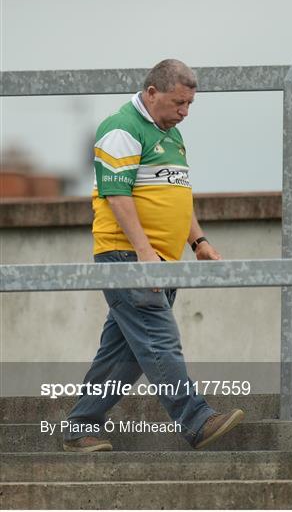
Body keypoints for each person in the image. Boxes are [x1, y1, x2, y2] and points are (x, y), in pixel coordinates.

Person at [63, 59, 244, 452]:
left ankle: (80, 427)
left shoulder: (171, 134)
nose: (184, 112)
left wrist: (199, 241)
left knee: (122, 354)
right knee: (160, 342)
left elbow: (177, 193)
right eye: (179, 103)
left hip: (161, 260)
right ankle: (196, 420)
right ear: (152, 93)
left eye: (190, 105)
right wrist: (144, 252)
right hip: (128, 257)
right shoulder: (121, 129)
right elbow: (116, 195)